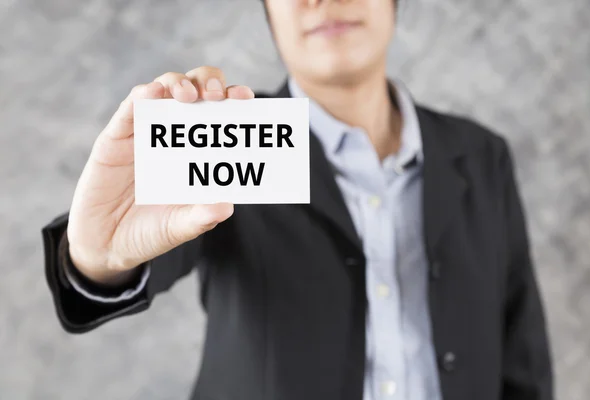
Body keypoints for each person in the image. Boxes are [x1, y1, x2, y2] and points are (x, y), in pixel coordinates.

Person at [41, 0, 554, 399]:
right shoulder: (227, 136)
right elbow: (134, 255)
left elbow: (521, 354)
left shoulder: (482, 156)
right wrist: (95, 257)